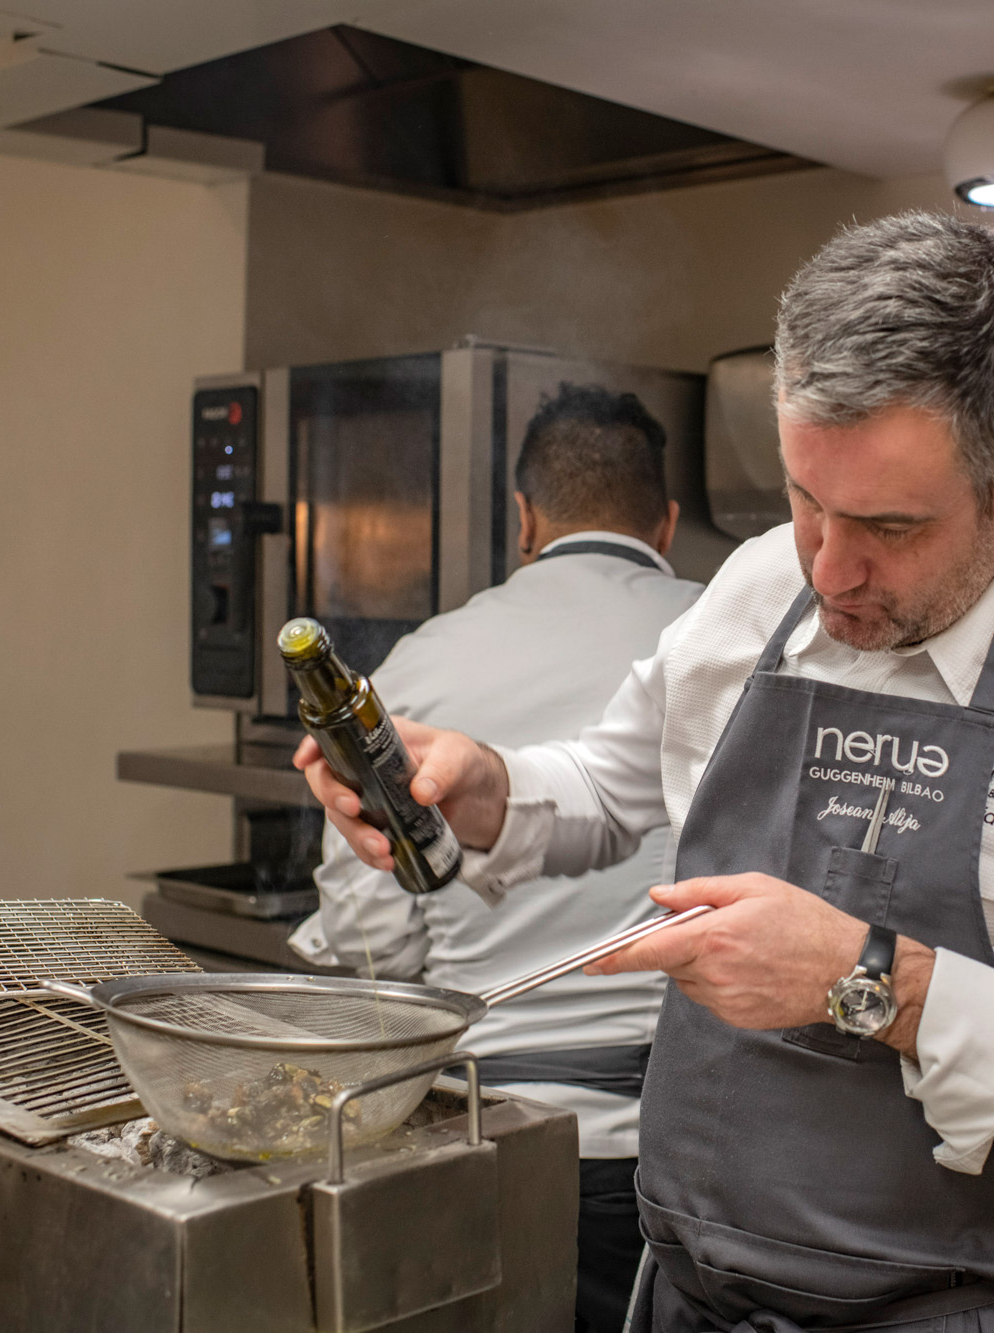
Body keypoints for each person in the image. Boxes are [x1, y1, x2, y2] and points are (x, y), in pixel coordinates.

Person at [297, 212, 994, 1333]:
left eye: (887, 526)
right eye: (805, 500)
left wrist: (875, 984)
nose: (827, 567)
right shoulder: (758, 583)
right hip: (684, 1295)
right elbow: (612, 787)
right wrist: (481, 785)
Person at [286, 382, 702, 1333]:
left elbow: (372, 954)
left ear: (523, 518)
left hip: (488, 1136)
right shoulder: (722, 640)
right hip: (686, 1155)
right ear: (667, 522)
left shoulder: (418, 663)